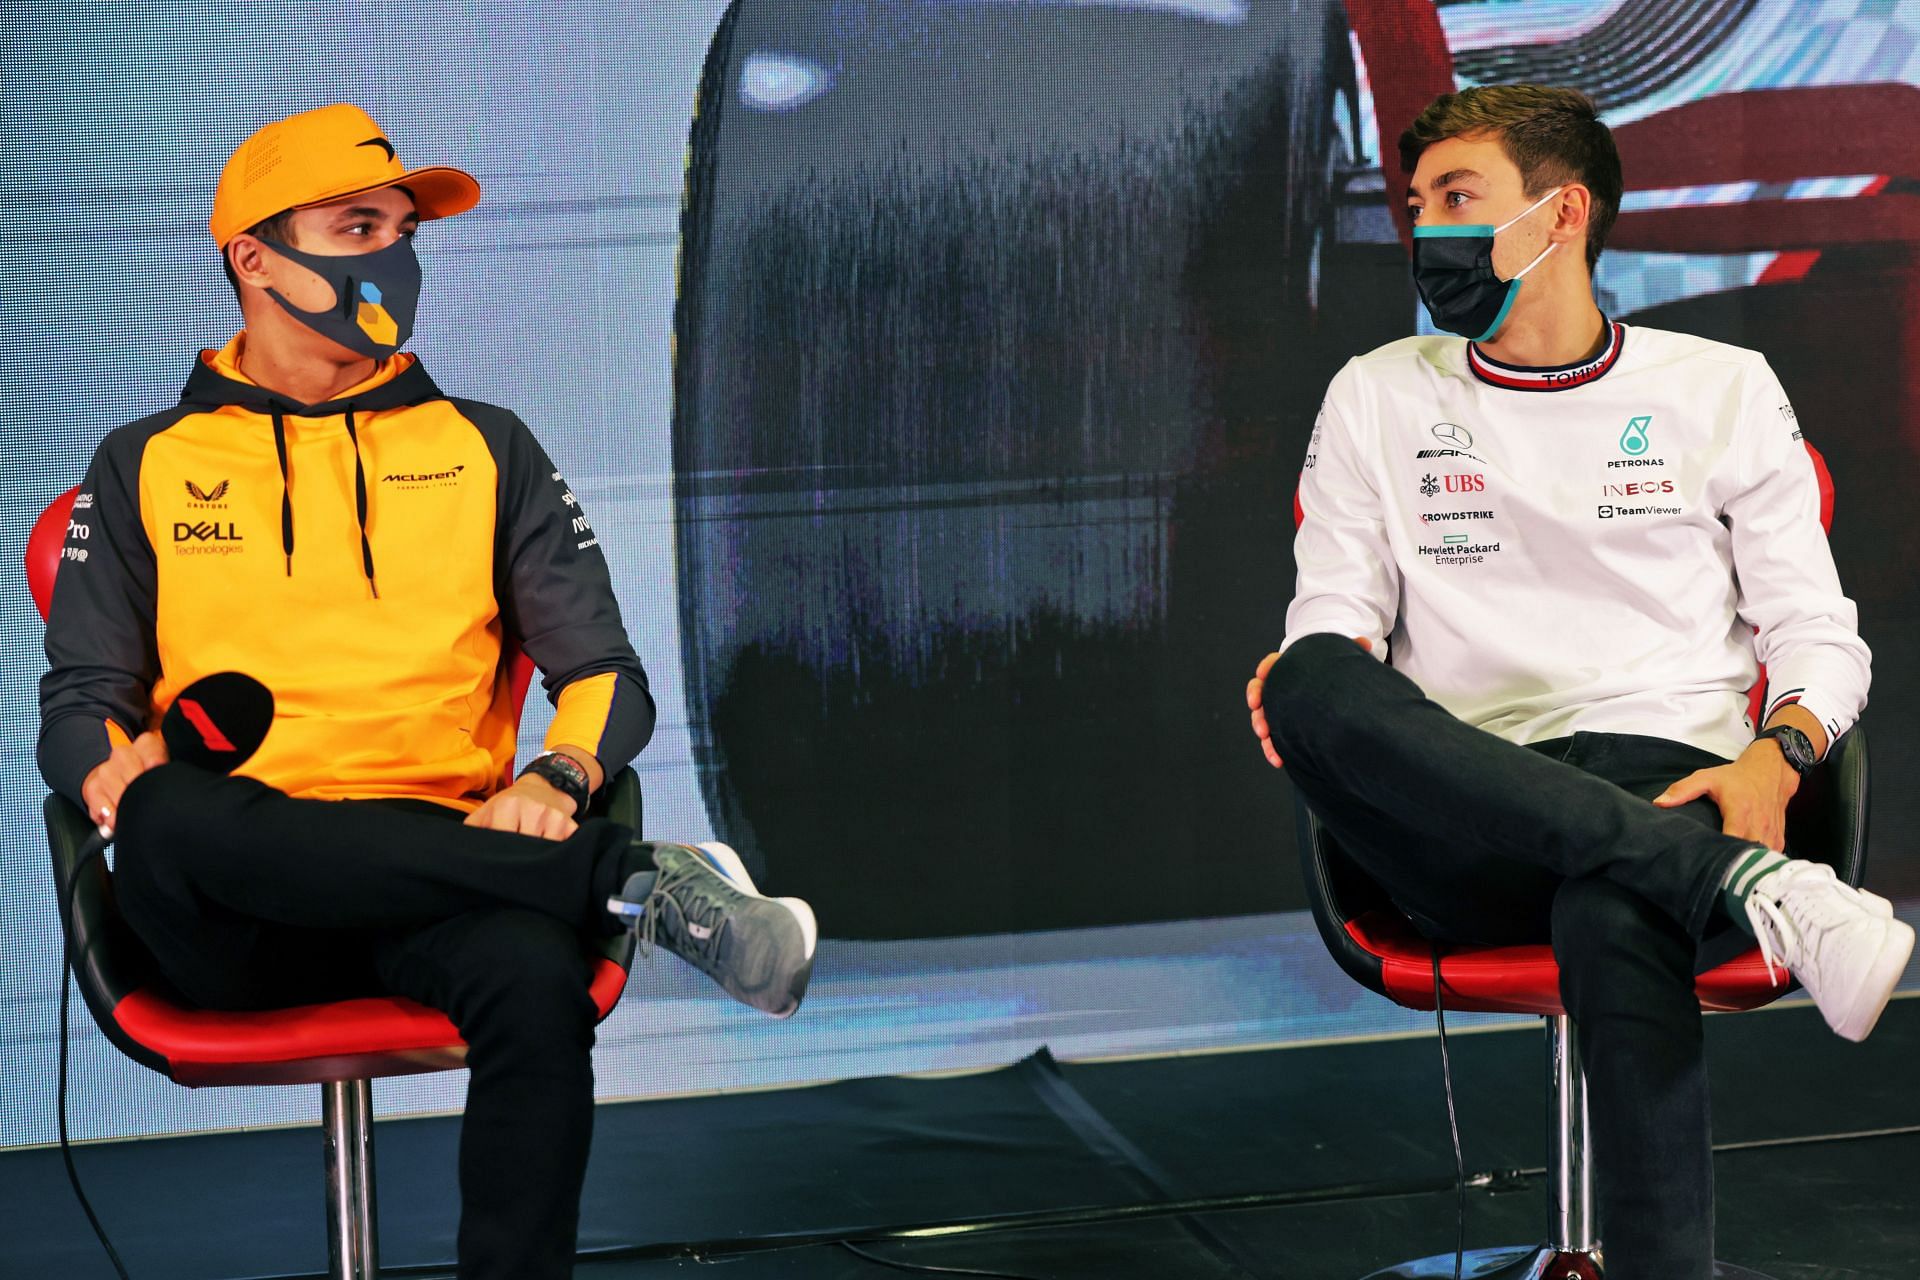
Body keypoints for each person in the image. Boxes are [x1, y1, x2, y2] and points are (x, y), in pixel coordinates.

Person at [37, 103, 817, 1280]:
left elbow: (603, 673)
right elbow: (81, 699)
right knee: (161, 811)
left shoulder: (487, 446)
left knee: (532, 980)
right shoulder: (141, 460)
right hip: (234, 902)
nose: (391, 257)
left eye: (404, 231)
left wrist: (559, 772)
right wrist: (104, 763)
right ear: (252, 256)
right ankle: (626, 881)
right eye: (356, 225)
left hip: (440, 871)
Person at [1245, 85, 1912, 1279]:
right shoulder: (1378, 391)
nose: (1425, 232)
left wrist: (1780, 752)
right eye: (1416, 206)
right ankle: (1753, 887)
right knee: (1305, 680)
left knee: (1611, 894)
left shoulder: (1720, 386)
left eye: (1458, 199)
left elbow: (1819, 633)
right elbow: (1333, 619)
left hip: (1671, 777)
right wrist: (1318, 674)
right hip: (1459, 815)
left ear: (1561, 215)